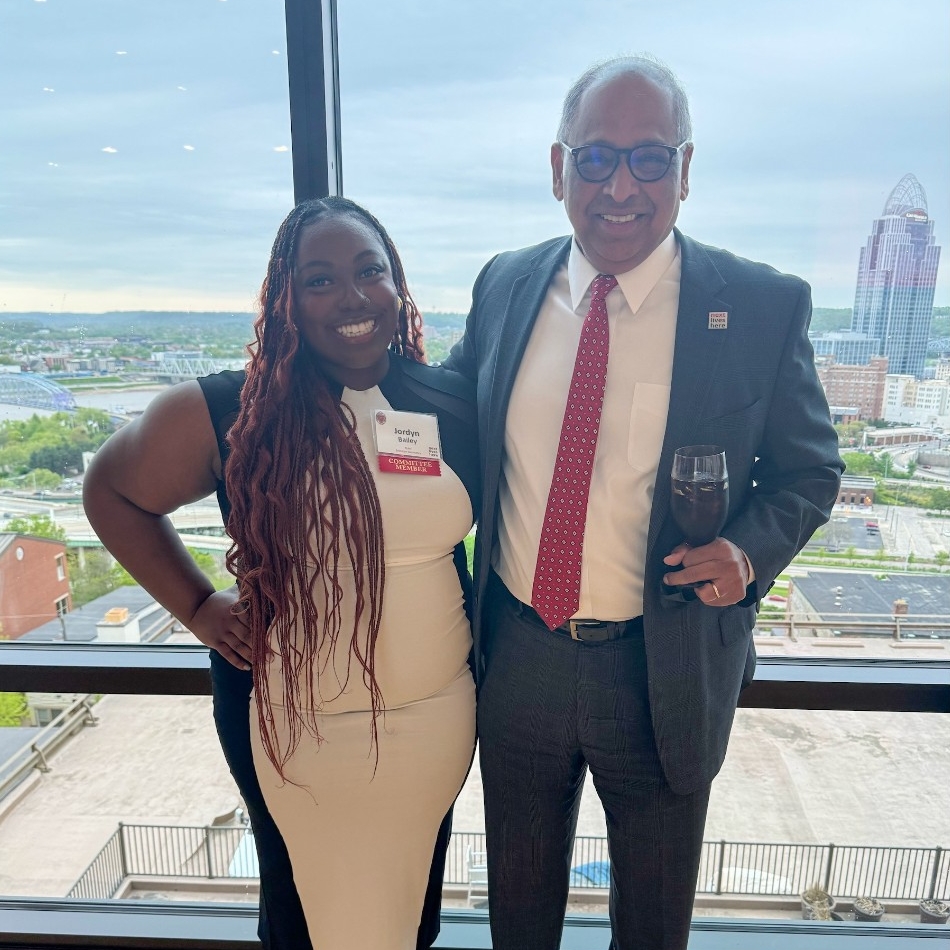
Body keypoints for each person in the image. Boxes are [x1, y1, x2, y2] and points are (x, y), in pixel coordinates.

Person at [444, 55, 843, 950]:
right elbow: (444, 415)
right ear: (559, 168)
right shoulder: (505, 284)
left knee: (654, 931)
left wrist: (747, 554)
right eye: (595, 157)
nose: (620, 186)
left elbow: (810, 471)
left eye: (650, 158)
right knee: (518, 921)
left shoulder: (762, 306)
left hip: (664, 669)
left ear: (685, 170)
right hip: (519, 657)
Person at [83, 197, 479, 950]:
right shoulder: (229, 410)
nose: (353, 297)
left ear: (397, 284)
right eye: (320, 280)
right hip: (290, 725)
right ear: (285, 299)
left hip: (437, 716)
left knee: (408, 910)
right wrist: (197, 606)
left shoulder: (451, 403)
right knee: (305, 917)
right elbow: (111, 492)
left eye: (370, 271)